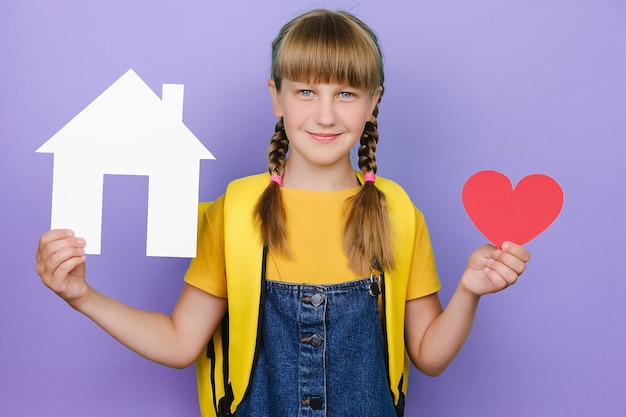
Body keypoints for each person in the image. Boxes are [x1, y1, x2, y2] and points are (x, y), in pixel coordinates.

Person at [35, 8, 530, 417]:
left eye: (347, 94)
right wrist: (82, 296)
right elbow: (180, 341)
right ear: (277, 96)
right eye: (306, 91)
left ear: (373, 103)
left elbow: (428, 354)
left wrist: (469, 291)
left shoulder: (397, 210)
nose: (326, 115)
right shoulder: (237, 209)